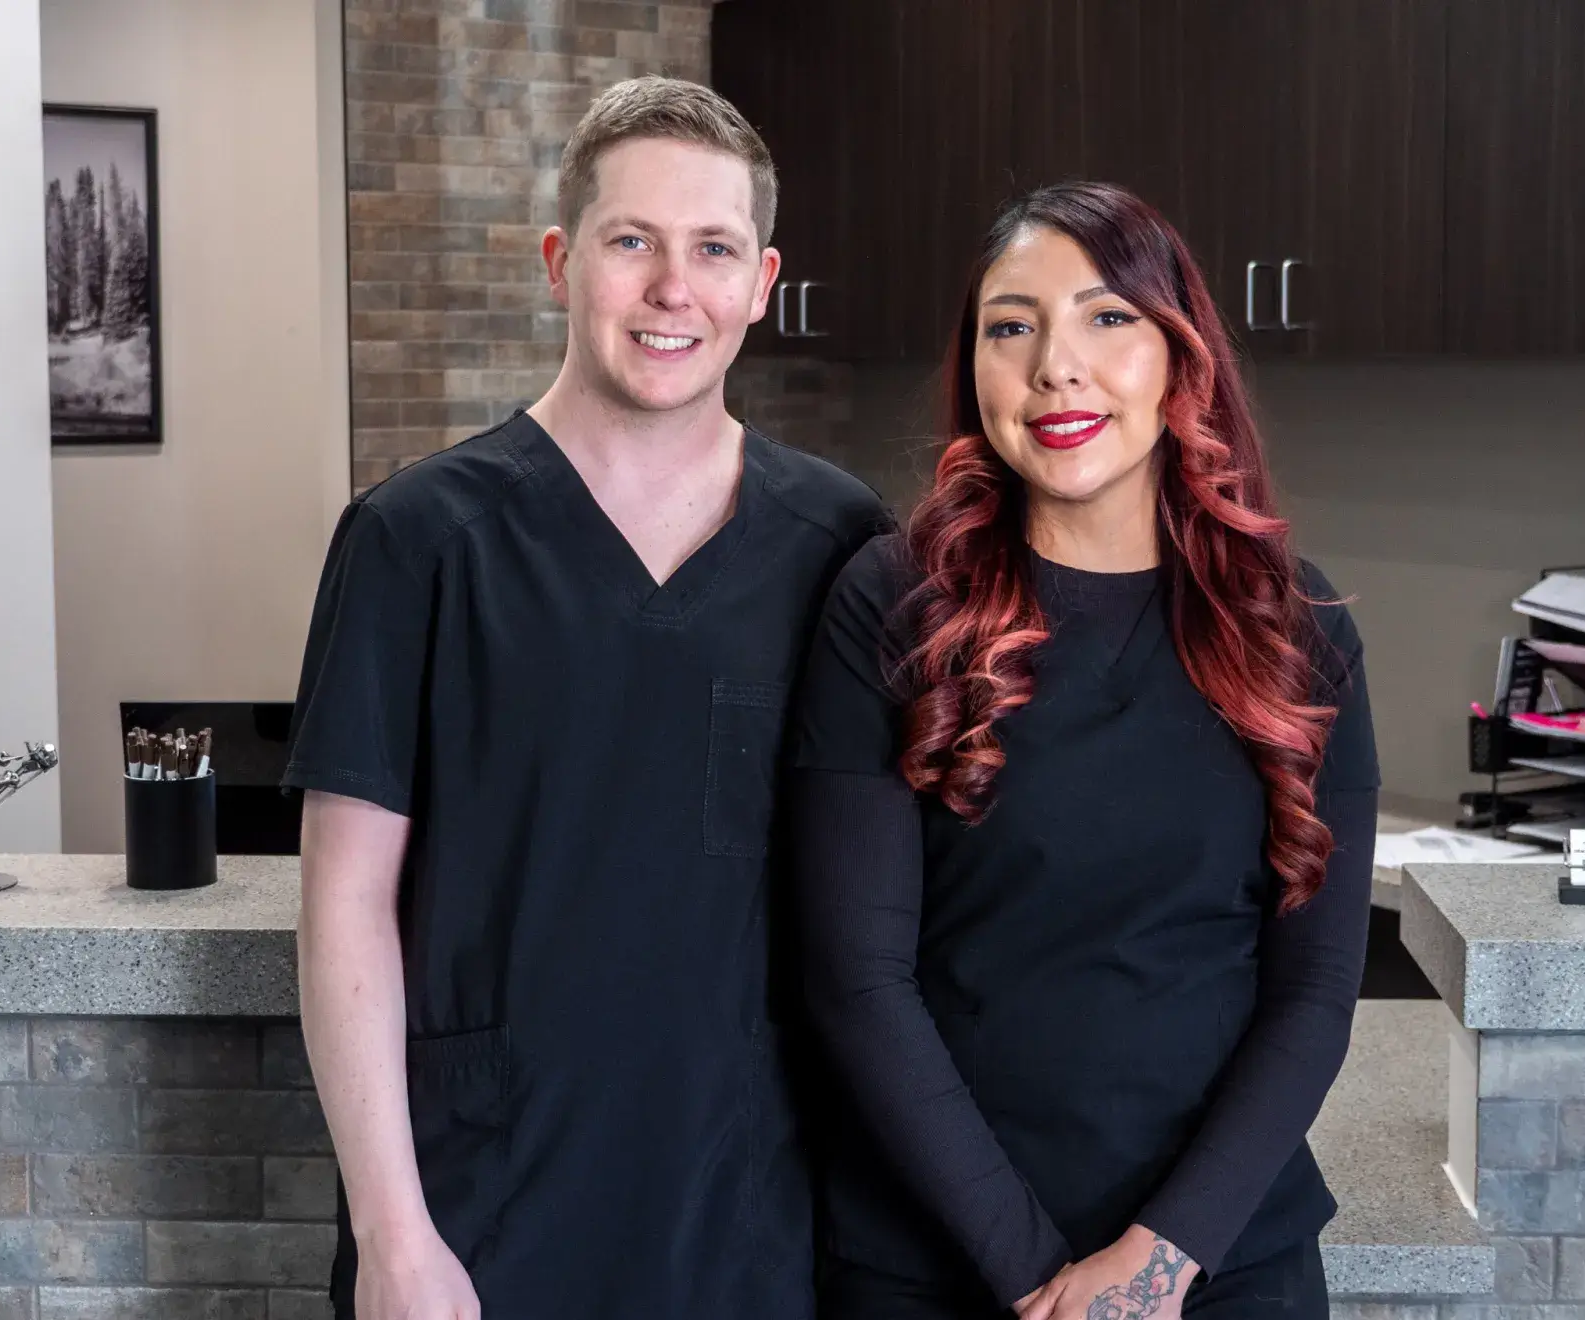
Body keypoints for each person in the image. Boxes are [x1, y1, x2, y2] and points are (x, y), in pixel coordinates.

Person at [284, 76, 887, 1320]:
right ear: (561, 262)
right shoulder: (414, 541)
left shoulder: (841, 542)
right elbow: (344, 902)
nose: (674, 289)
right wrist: (393, 1239)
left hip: (749, 1211)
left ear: (760, 283)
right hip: (476, 1214)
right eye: (631, 243)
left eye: (712, 249)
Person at [790, 181, 1379, 1320]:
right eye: (1010, 326)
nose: (1055, 365)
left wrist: (1157, 1263)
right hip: (935, 1263)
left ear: (1179, 353)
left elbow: (1314, 992)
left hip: (1220, 1267)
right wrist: (1038, 1281)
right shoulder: (893, 603)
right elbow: (856, 980)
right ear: (974, 370)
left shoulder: (1296, 628)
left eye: (1107, 317)